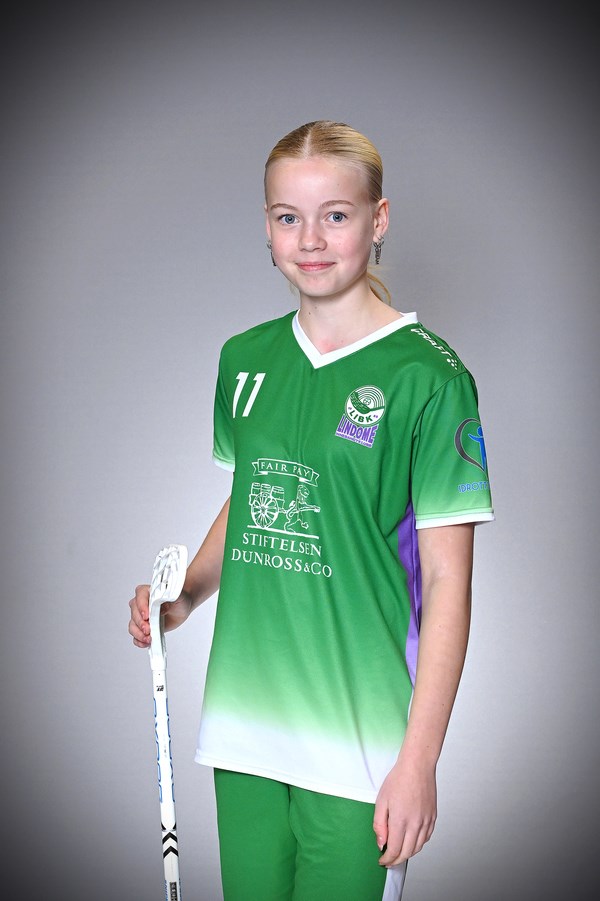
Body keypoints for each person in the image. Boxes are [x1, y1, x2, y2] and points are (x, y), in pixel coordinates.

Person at [129, 120, 494, 900]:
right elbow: (252, 496)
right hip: (244, 728)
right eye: (288, 216)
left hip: (359, 746)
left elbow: (448, 584)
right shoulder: (244, 359)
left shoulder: (431, 378)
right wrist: (185, 596)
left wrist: (419, 761)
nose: (311, 239)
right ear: (267, 228)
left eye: (336, 214)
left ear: (378, 219)